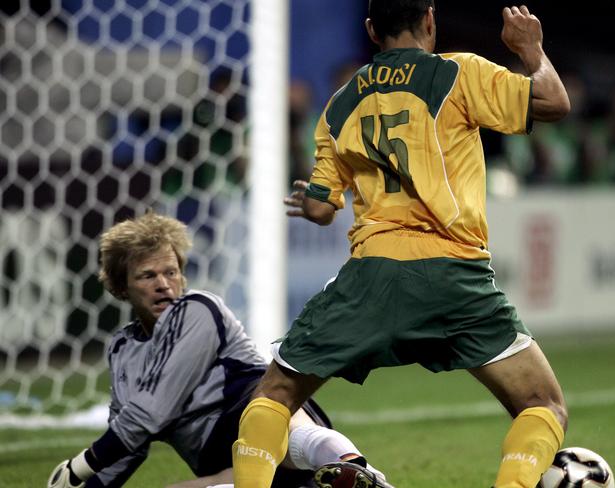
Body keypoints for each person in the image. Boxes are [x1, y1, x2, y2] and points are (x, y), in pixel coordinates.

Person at [232, 2, 570, 488]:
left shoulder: (340, 104)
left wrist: (312, 206)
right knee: (543, 405)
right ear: (432, 20)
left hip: (374, 275)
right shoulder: (458, 73)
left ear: (371, 30)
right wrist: (531, 51)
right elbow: (554, 104)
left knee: (274, 396)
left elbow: (324, 208)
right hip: (456, 274)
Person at [46, 212, 390, 488]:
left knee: (278, 415)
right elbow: (126, 442)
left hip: (263, 421)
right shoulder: (122, 350)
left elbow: (149, 415)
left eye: (171, 272)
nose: (163, 284)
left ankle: (357, 471)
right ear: (121, 286)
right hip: (222, 463)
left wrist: (79, 468)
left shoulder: (198, 309)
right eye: (147, 276)